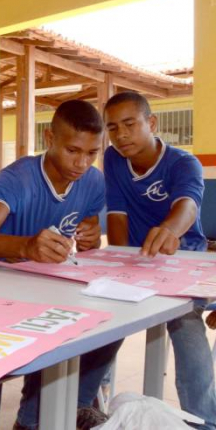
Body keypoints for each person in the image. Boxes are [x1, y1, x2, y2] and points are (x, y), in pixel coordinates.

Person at [0, 100, 120, 430]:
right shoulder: (18, 179)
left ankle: (68, 407)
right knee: (40, 335)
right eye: (73, 150)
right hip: (0, 278)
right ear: (49, 138)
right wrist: (25, 246)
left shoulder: (92, 182)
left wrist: (92, 238)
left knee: (112, 322)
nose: (82, 163)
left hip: (54, 279)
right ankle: (31, 419)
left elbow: (88, 234)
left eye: (92, 153)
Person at [104, 91, 216, 430]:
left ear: (151, 123)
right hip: (135, 262)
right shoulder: (112, 159)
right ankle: (89, 403)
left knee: (187, 328)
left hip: (184, 260)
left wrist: (169, 229)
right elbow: (117, 216)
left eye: (129, 124)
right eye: (112, 127)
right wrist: (120, 263)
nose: (121, 135)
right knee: (103, 325)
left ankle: (204, 420)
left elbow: (189, 205)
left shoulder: (184, 163)